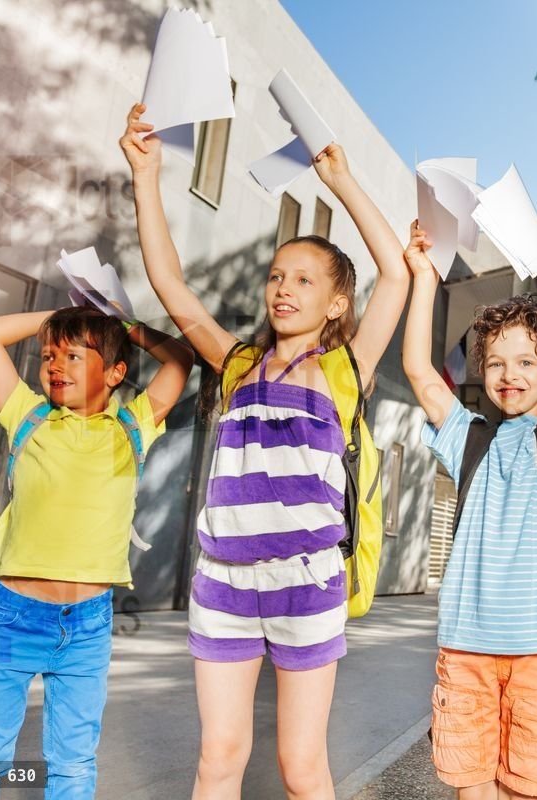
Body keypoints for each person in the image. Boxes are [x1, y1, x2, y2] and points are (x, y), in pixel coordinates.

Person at [119, 103, 409, 800]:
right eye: (278, 276)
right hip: (222, 582)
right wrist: (146, 174)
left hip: (306, 583)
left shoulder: (344, 371)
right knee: (218, 758)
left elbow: (395, 278)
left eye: (305, 279)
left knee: (300, 767)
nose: (284, 287)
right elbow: (171, 285)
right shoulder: (237, 363)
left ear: (338, 303)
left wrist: (341, 181)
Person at [0, 305, 193, 799]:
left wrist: (118, 324)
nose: (55, 365)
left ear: (116, 372)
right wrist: (63, 314)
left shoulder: (133, 426)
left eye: (74, 355)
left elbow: (180, 359)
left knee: (73, 763)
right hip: (12, 618)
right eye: (47, 355)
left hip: (87, 625)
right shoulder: (27, 415)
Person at [402, 218, 537, 800]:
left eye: (525, 362)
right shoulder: (470, 436)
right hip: (467, 648)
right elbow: (418, 371)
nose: (508, 374)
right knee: (471, 789)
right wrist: (424, 278)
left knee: (526, 791)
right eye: (494, 363)